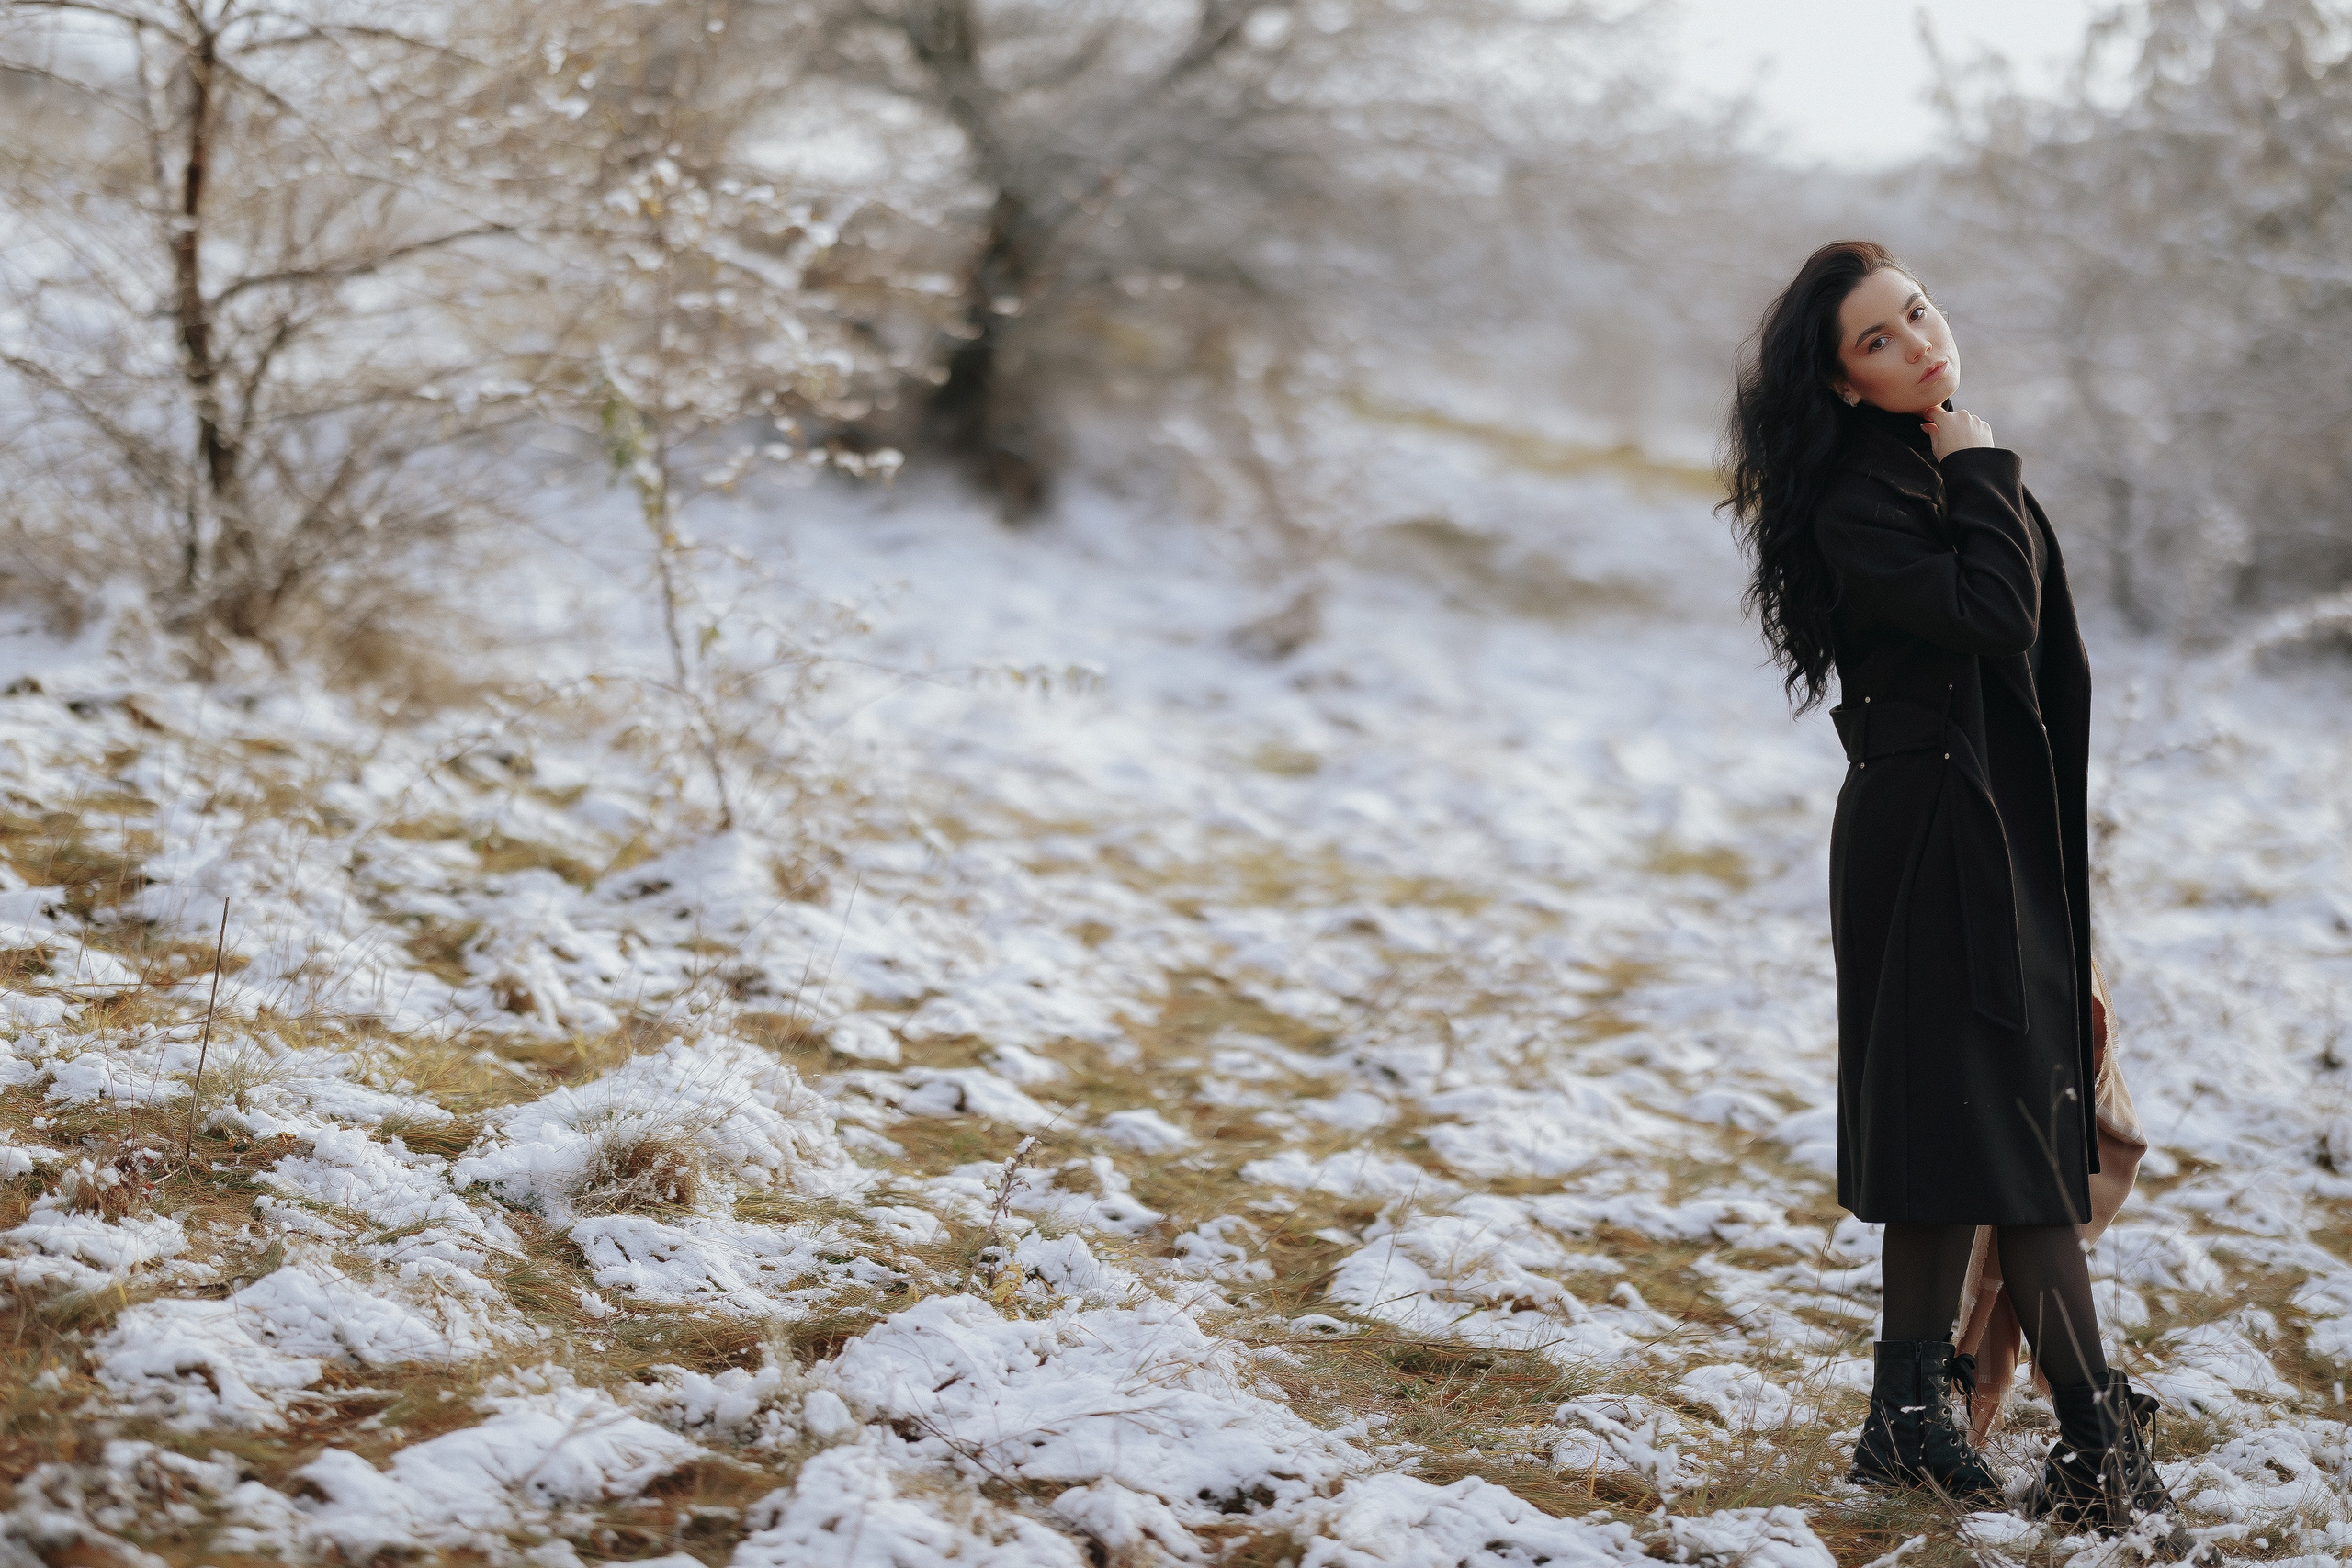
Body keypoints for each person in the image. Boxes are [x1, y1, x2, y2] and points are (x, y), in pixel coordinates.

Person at [1722, 241, 2188, 1544]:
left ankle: (1909, 1417)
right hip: (1932, 842)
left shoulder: (1921, 464)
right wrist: (1981, 466)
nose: (1921, 343)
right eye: (1880, 339)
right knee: (2013, 1147)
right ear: (1840, 382)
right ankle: (2097, 1442)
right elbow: (1992, 618)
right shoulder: (1864, 496)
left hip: (1997, 837)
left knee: (1966, 1130)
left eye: (1918, 312)